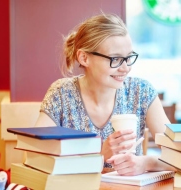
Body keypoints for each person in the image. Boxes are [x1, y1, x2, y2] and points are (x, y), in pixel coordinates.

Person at [35, 13, 176, 176]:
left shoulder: (141, 92)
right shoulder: (61, 95)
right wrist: (99, 157)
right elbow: (37, 160)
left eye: (129, 57)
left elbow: (177, 155)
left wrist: (147, 162)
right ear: (84, 58)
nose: (126, 68)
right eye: (115, 59)